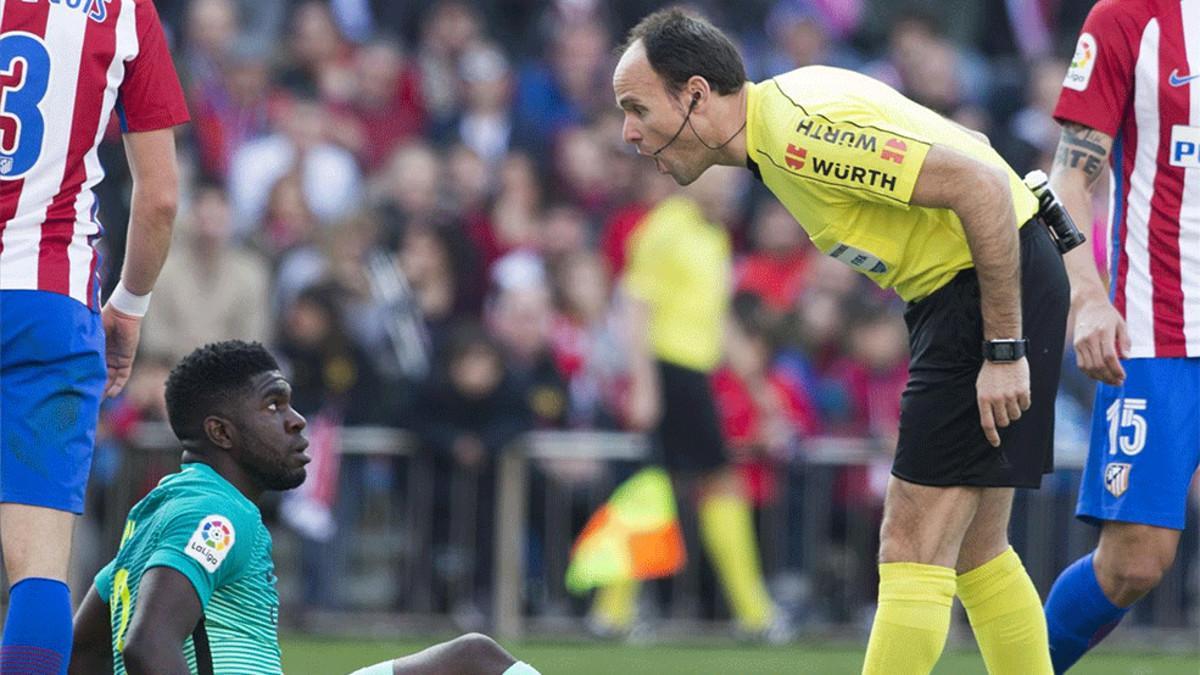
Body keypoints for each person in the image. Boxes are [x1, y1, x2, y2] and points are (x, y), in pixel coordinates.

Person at [612, 9, 1070, 674]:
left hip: (980, 291)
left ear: (695, 96)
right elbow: (965, 141)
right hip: (989, 282)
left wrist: (1003, 347)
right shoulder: (787, 114)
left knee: (910, 540)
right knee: (978, 551)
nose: (628, 132)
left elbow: (979, 185)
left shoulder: (795, 135)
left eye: (636, 108)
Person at [67, 340, 540, 675]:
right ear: (221, 433)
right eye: (273, 406)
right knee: (478, 662)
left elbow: (83, 651)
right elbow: (146, 645)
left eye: (290, 405)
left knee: (471, 659)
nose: (296, 422)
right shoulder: (215, 516)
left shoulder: (158, 511)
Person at [0, 0, 189, 670]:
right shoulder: (125, 11)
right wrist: (131, 304)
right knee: (39, 567)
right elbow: (160, 193)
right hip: (50, 304)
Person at [1041, 2, 1200, 672]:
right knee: (1134, 561)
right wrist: (1088, 296)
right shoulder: (1130, 17)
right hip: (1157, 331)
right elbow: (1070, 173)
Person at [595, 163, 784, 640]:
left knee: (657, 485)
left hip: (690, 373)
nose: (724, 188)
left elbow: (718, 319)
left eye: (729, 181)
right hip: (669, 368)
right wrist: (643, 385)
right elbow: (636, 308)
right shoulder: (663, 228)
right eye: (716, 178)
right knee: (709, 484)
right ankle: (754, 613)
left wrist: (759, 391)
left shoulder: (713, 235)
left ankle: (612, 610)